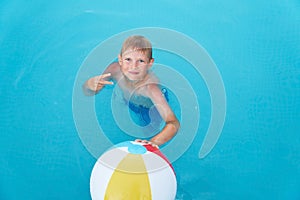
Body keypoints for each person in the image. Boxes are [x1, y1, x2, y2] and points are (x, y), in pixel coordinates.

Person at [82, 35, 179, 148]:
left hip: (149, 108)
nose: (134, 66)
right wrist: (89, 85)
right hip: (128, 100)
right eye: (128, 59)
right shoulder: (114, 70)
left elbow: (173, 123)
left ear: (150, 63)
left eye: (141, 61)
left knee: (148, 130)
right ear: (120, 60)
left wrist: (153, 142)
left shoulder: (151, 89)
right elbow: (88, 92)